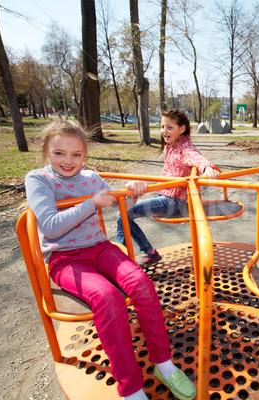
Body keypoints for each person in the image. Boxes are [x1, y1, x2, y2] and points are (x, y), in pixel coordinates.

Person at [25, 119, 197, 400]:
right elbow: (51, 226)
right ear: (46, 151)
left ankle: (163, 365)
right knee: (107, 297)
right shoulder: (39, 180)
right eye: (59, 153)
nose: (68, 161)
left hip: (100, 247)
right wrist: (90, 203)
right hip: (65, 258)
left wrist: (131, 193)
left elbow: (119, 205)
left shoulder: (91, 178)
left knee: (141, 284)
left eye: (76, 154)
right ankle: (131, 388)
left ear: (85, 154)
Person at [115, 109, 220, 266]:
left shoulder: (184, 148)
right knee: (123, 211)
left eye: (170, 127)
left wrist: (207, 168)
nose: (164, 131)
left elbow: (197, 157)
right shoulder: (171, 145)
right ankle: (133, 253)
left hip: (173, 201)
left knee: (125, 212)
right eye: (162, 126)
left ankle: (127, 256)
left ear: (182, 129)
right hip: (164, 196)